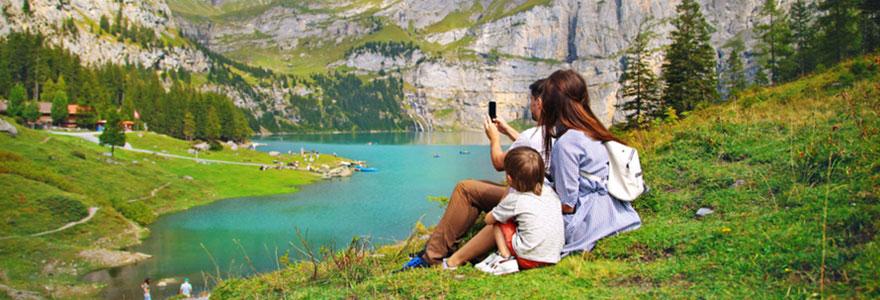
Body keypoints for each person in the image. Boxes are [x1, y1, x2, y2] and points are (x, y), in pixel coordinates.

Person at [400, 79, 549, 269]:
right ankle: (439, 249)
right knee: (478, 185)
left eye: (531, 100)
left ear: (539, 102)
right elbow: (529, 144)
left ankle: (433, 257)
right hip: (541, 195)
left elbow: (499, 163)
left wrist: (494, 138)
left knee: (466, 189)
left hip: (528, 199)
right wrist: (508, 130)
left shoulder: (535, 134)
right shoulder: (556, 131)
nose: (530, 105)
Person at [538, 69, 641, 255]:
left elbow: (568, 205)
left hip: (588, 222)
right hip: (617, 212)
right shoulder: (593, 131)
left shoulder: (566, 143)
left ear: (552, 105)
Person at [442, 147, 563, 275]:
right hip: (552, 257)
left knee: (498, 220)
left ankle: (505, 257)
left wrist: (503, 201)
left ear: (509, 179)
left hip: (529, 259)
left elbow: (489, 219)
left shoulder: (516, 199)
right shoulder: (550, 192)